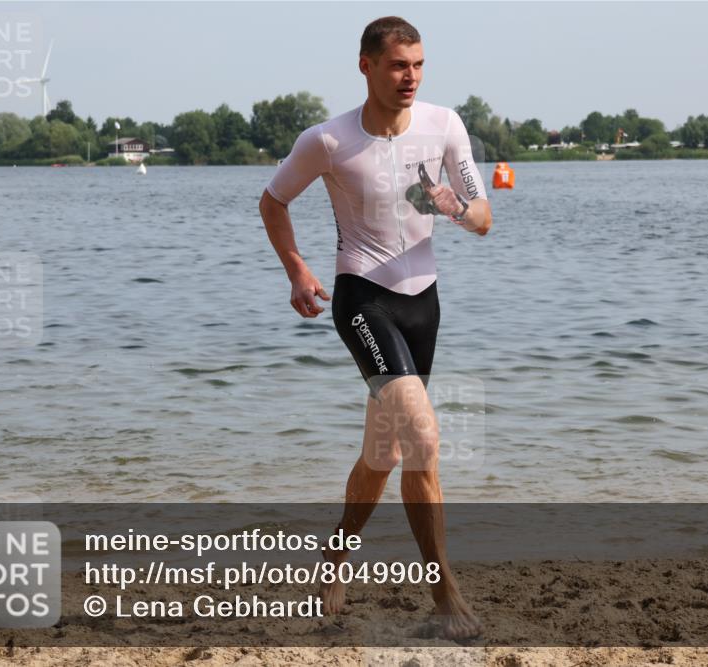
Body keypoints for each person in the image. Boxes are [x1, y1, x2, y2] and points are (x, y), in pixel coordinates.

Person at [258, 16, 492, 640]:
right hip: (362, 298)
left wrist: (454, 206)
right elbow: (273, 201)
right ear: (365, 65)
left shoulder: (445, 125)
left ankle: (334, 555)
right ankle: (445, 593)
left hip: (424, 303)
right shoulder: (328, 141)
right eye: (397, 65)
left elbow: (485, 217)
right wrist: (298, 269)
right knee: (424, 436)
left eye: (417, 64)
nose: (410, 76)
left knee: (383, 453)